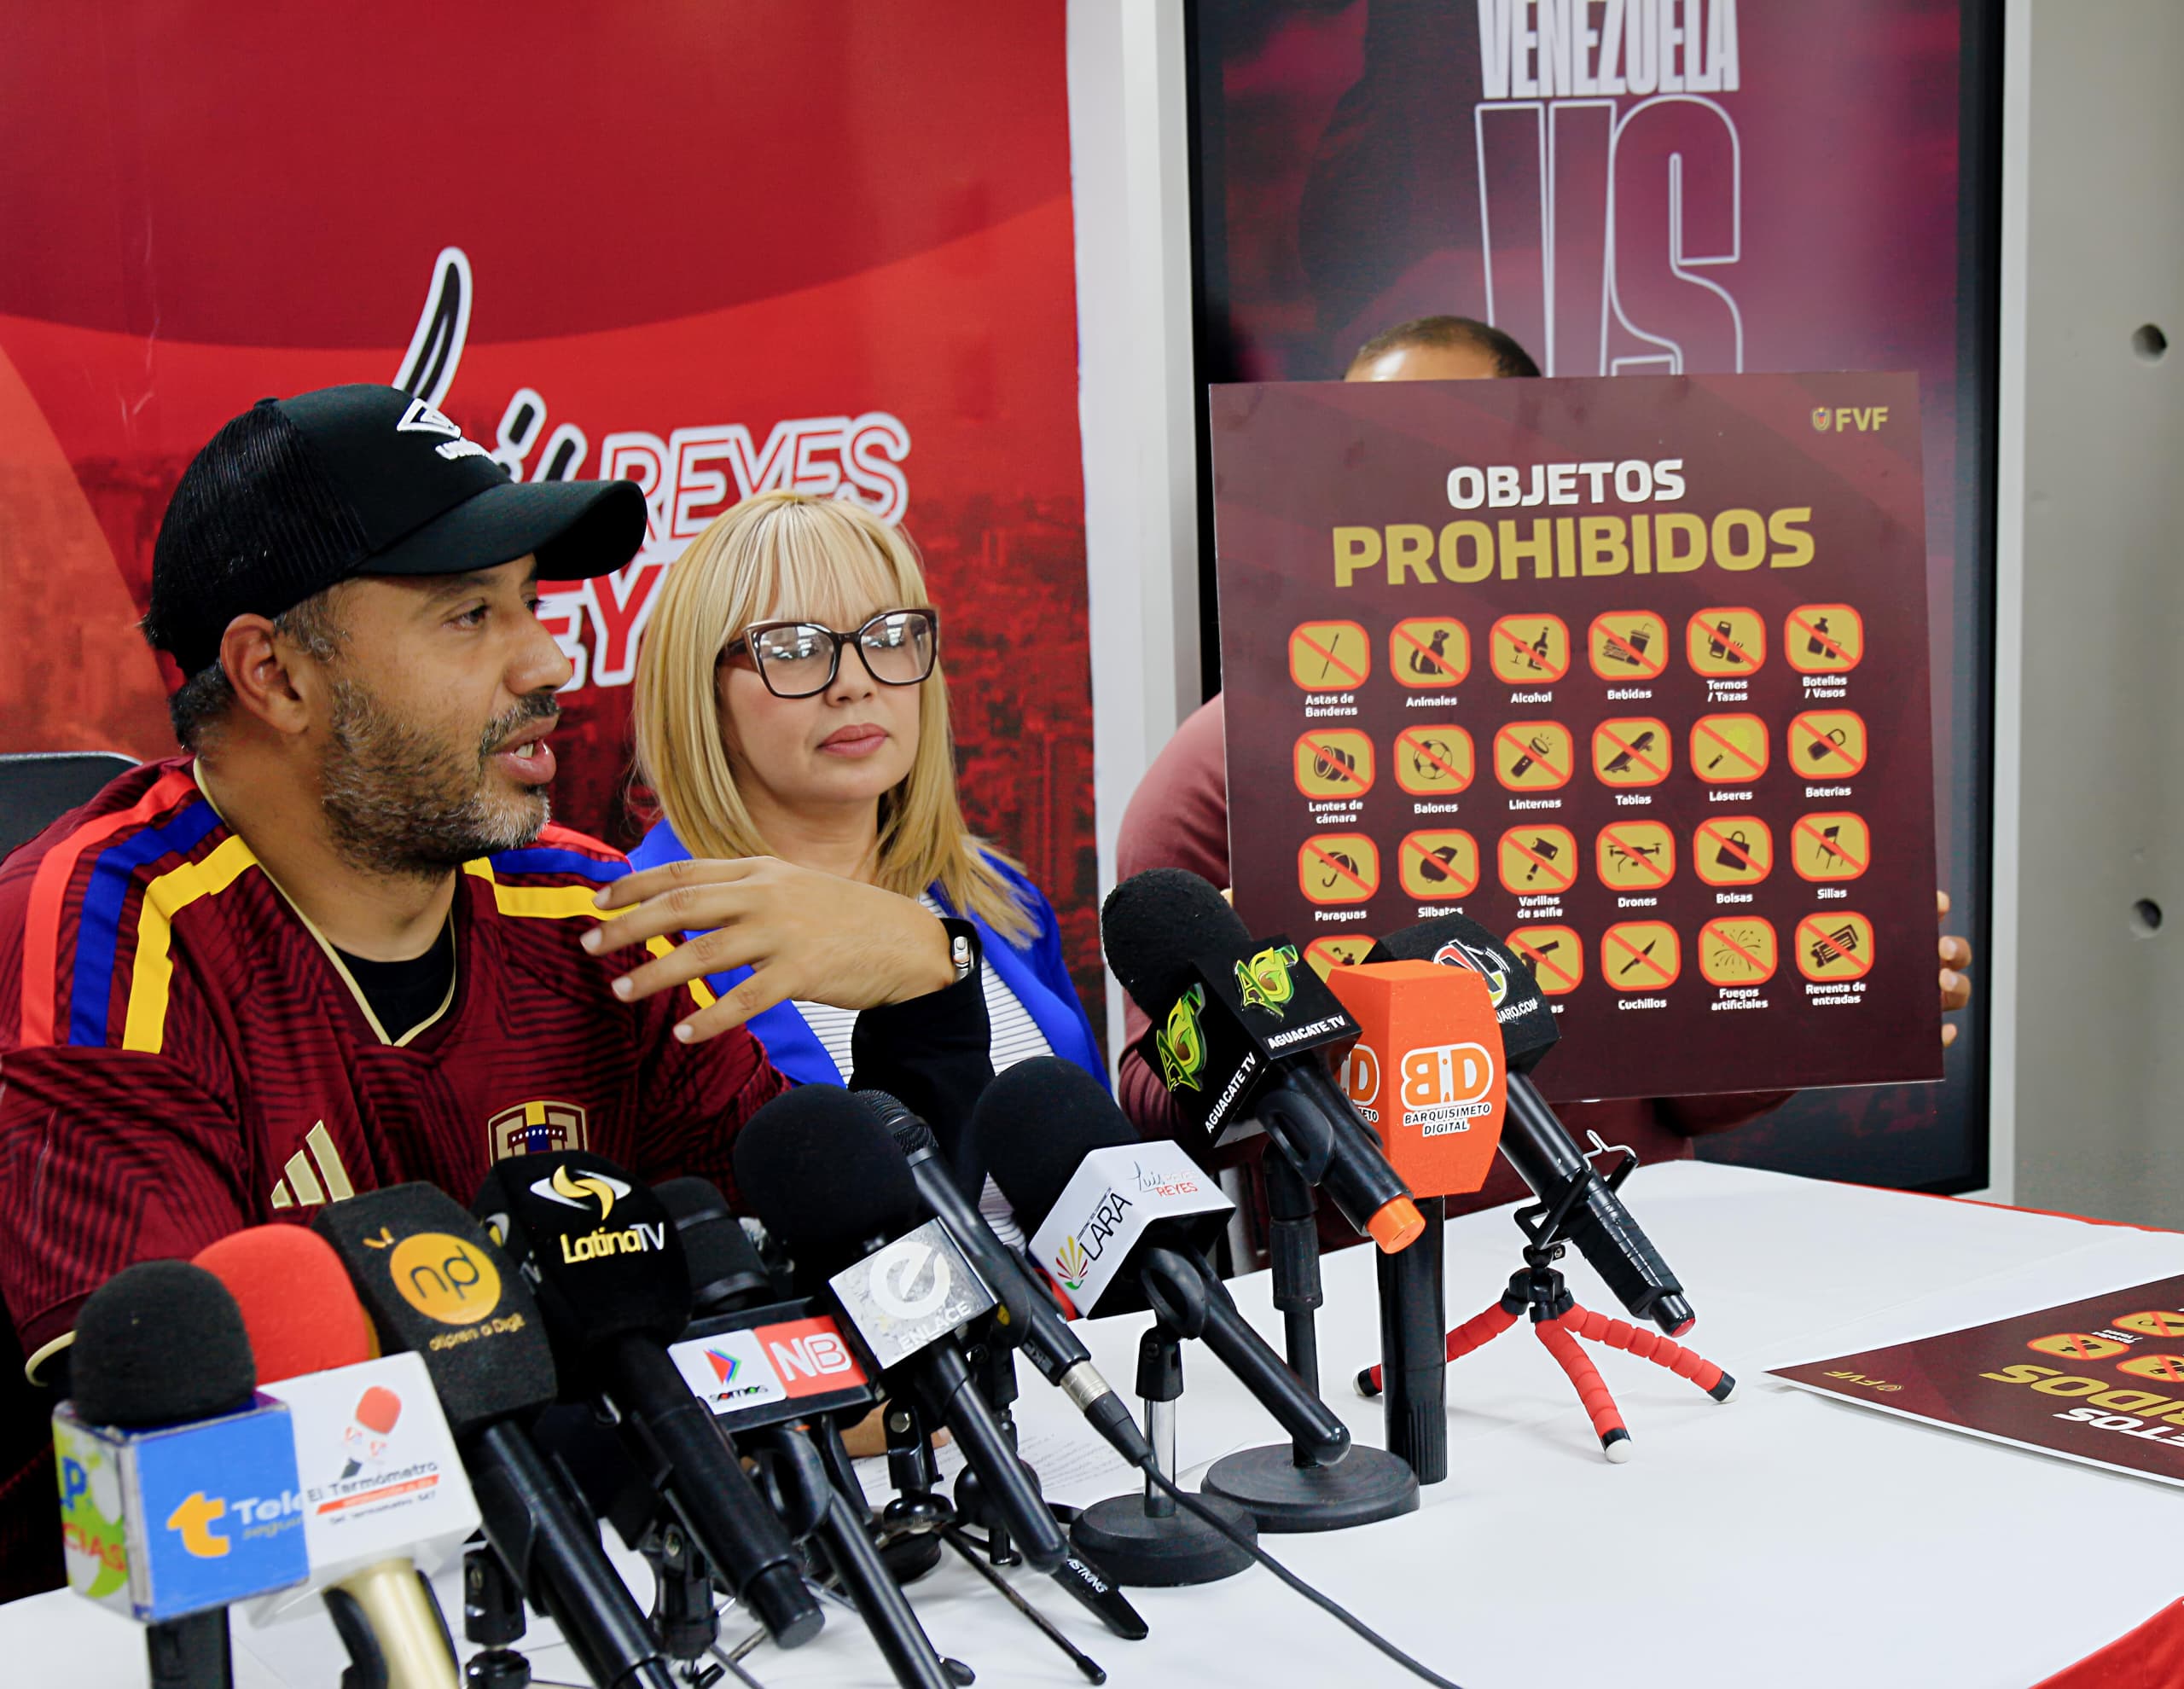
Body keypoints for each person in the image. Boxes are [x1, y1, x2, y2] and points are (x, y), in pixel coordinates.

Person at [0, 387, 983, 1599]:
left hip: (584, 1609)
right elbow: (201, 1461)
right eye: (470, 615)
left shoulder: (585, 914)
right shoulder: (103, 935)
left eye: (533, 604)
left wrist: (930, 991)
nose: (549, 663)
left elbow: (865, 1342)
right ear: (275, 675)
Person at [1117, 316, 1976, 1241]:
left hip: (1639, 1253)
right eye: (1371, 454)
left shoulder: (1656, 736)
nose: (1421, 484)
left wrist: (1823, 1004)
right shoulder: (1222, 770)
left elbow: (1692, 1100)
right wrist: (1265, 1021)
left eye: (1457, 443)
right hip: (1376, 1290)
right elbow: (1153, 1110)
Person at [629, 490, 1104, 1243]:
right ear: (704, 691)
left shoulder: (998, 895)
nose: (854, 682)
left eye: (887, 637)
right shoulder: (643, 941)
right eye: (793, 649)